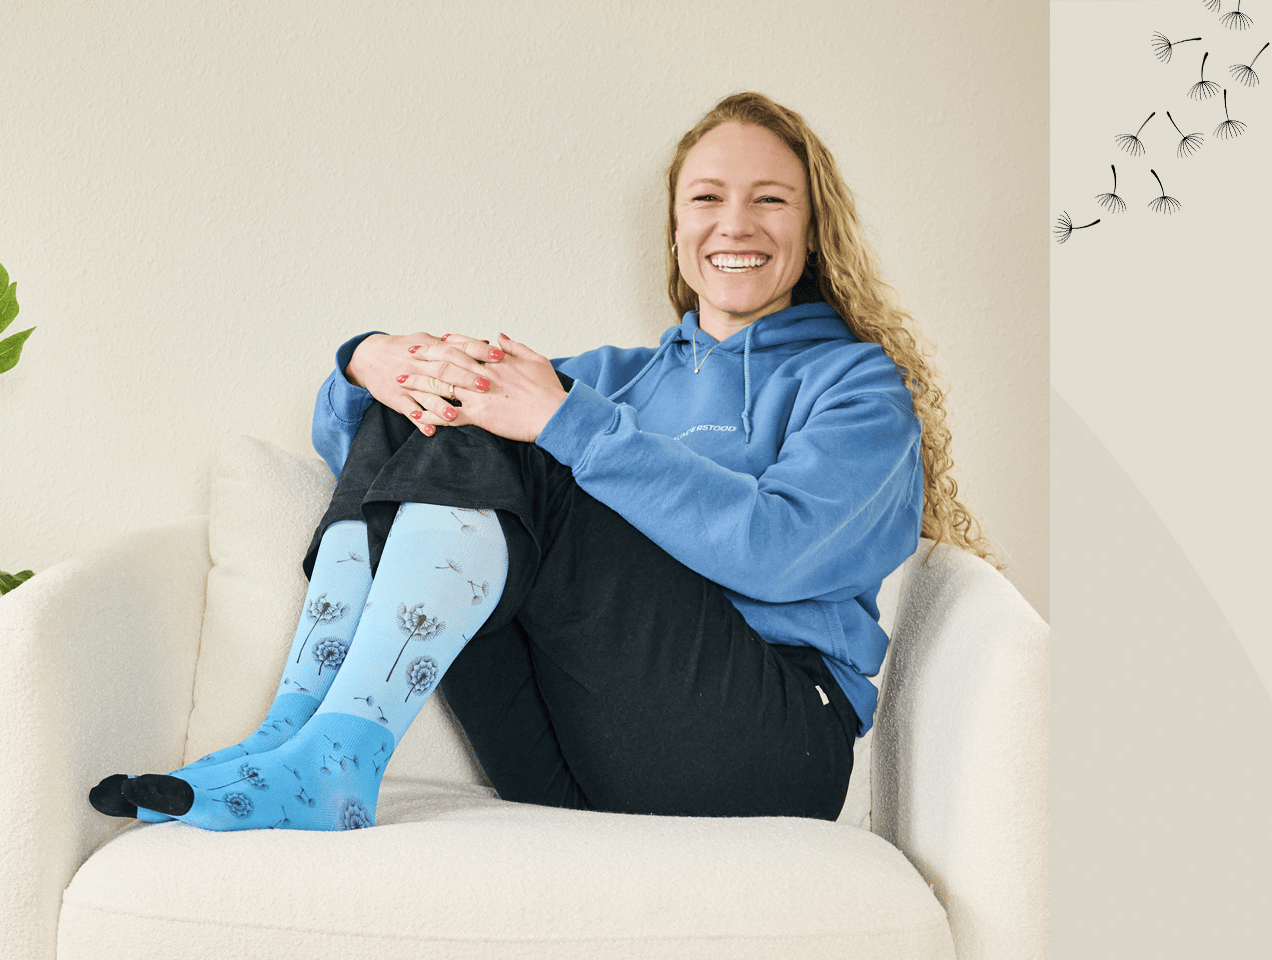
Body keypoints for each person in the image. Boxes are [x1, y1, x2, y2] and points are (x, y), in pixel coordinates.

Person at [89, 91, 993, 830]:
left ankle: (333, 754)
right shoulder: (620, 380)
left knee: (515, 417)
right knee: (455, 404)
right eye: (708, 197)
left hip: (764, 751)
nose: (735, 223)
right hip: (582, 757)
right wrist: (369, 358)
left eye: (770, 197)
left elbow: (779, 549)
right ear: (677, 227)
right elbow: (383, 449)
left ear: (813, 223)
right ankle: (297, 735)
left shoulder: (855, 386)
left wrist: (569, 425)